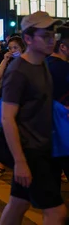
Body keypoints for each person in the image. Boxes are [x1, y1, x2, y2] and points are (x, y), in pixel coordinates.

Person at [0, 11, 66, 225]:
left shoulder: (43, 65)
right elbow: (7, 118)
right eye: (45, 35)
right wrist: (20, 161)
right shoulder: (18, 71)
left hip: (46, 148)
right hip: (31, 153)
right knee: (57, 213)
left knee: (18, 203)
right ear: (28, 38)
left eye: (53, 35)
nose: (51, 40)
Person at [0, 36, 25, 177]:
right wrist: (5, 60)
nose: (12, 51)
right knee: (4, 129)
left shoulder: (26, 62)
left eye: (15, 48)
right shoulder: (7, 61)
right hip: (5, 98)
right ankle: (1, 164)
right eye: (10, 48)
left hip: (21, 100)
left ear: (22, 48)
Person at [46, 26, 69, 183]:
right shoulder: (64, 69)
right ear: (63, 46)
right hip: (64, 131)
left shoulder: (42, 65)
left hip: (45, 134)